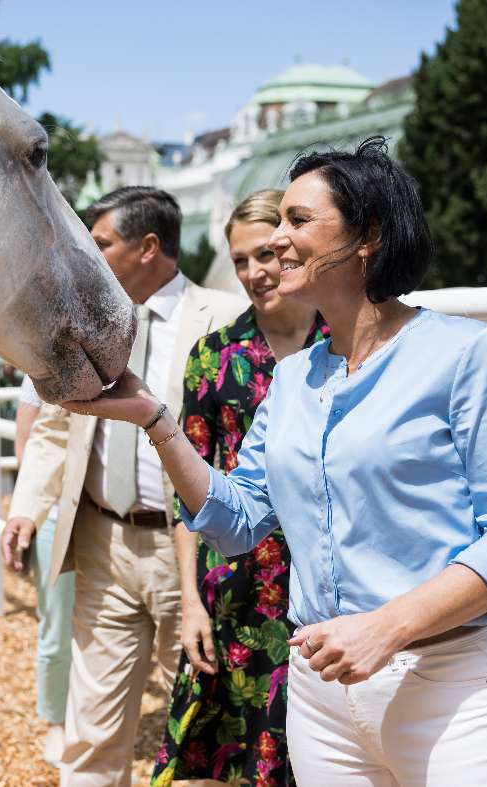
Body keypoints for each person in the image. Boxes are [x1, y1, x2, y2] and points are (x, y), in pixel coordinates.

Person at [68, 138, 487, 786]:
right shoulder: (293, 379)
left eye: (298, 220)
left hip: (449, 682)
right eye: (277, 221)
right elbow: (235, 519)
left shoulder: (468, 356)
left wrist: (386, 627)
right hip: (321, 698)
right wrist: (156, 420)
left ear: (368, 236)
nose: (276, 240)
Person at [2, 187, 247, 787]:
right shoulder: (85, 323)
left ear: (149, 248)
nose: (87, 253)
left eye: (101, 242)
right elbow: (57, 428)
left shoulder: (225, 319)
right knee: (92, 728)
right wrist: (27, 507)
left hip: (188, 553)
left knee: (199, 722)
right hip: (102, 544)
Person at [151, 190, 327, 787]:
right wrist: (190, 604)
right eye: (240, 261)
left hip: (330, 585)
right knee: (231, 757)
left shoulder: (351, 342)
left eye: (266, 255)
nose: (255, 272)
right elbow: (190, 491)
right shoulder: (215, 356)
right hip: (237, 590)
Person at [13, 376, 76, 767]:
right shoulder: (41, 369)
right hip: (57, 516)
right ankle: (56, 721)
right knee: (56, 630)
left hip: (109, 517)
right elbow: (27, 447)